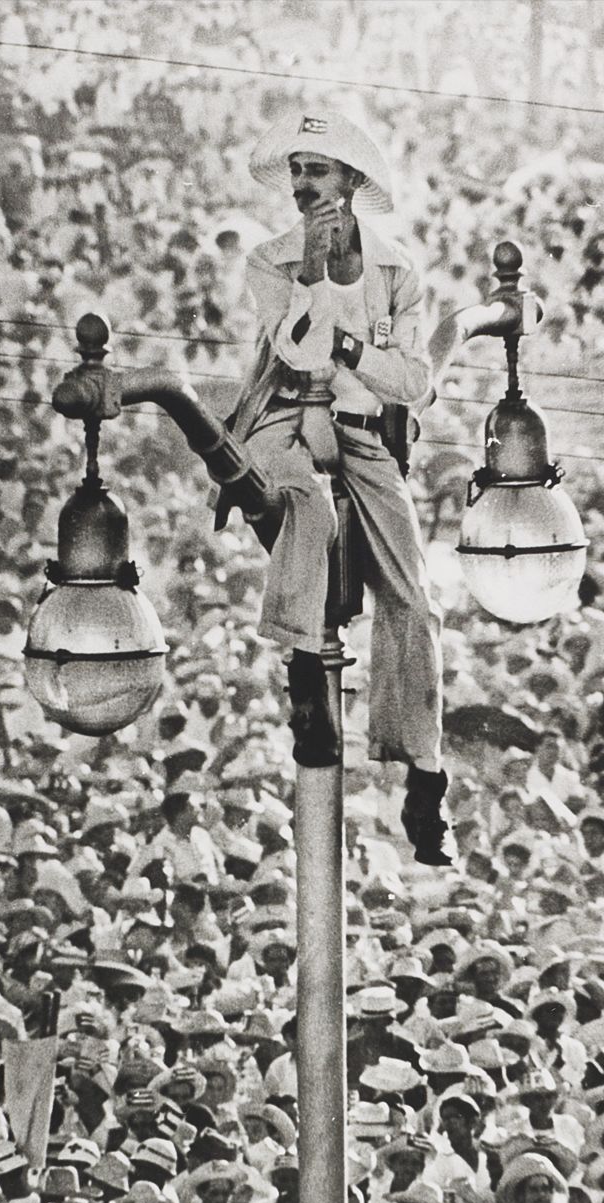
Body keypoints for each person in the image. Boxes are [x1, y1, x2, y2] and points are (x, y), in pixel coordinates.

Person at [226, 106, 451, 865]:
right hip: (284, 422)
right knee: (310, 513)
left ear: (351, 181)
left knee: (412, 599)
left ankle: (421, 768)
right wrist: (315, 280)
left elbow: (412, 382)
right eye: (294, 171)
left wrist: (349, 340)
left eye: (314, 171)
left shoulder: (395, 270)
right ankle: (302, 668)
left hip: (361, 435)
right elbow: (292, 354)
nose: (301, 185)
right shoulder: (270, 259)